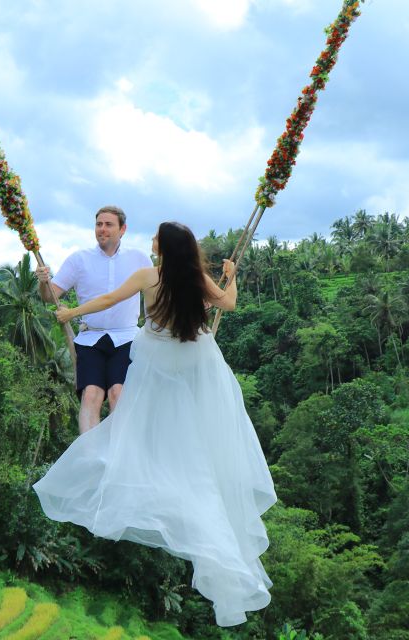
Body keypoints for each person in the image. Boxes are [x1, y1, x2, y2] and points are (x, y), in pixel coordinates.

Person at [33, 221, 276, 627]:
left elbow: (111, 298)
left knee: (137, 422)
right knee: (193, 440)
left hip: (158, 361)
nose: (150, 243)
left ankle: (134, 470)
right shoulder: (197, 279)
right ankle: (186, 491)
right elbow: (228, 304)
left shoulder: (149, 275)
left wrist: (72, 311)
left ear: (163, 248)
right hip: (196, 360)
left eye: (155, 240)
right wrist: (230, 279)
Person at [36, 205, 152, 434]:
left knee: (118, 392)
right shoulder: (78, 259)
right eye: (99, 224)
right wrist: (42, 280)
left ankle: (119, 452)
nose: (102, 229)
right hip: (90, 338)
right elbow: (50, 296)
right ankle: (90, 455)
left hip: (127, 337)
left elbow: (157, 294)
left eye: (109, 224)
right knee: (91, 394)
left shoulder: (139, 259)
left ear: (123, 229)